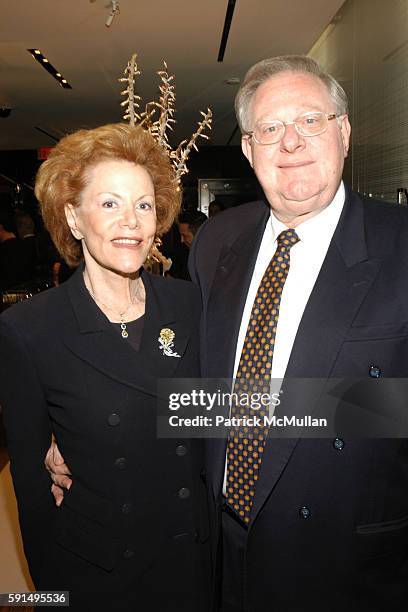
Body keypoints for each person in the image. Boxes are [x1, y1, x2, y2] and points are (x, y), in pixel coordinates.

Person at [187, 55, 408, 611]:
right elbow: (199, 385)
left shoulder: (400, 243)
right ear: (247, 149)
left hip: (345, 560)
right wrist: (94, 430)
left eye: (310, 120)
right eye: (269, 128)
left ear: (344, 131)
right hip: (224, 551)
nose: (290, 142)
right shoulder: (216, 242)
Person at [0, 123, 210, 611]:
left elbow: (217, 412)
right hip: (96, 571)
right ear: (73, 218)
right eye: (110, 203)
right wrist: (52, 596)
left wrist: (364, 408)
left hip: (190, 562)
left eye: (143, 204)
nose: (131, 221)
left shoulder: (192, 304)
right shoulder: (30, 328)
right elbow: (31, 491)